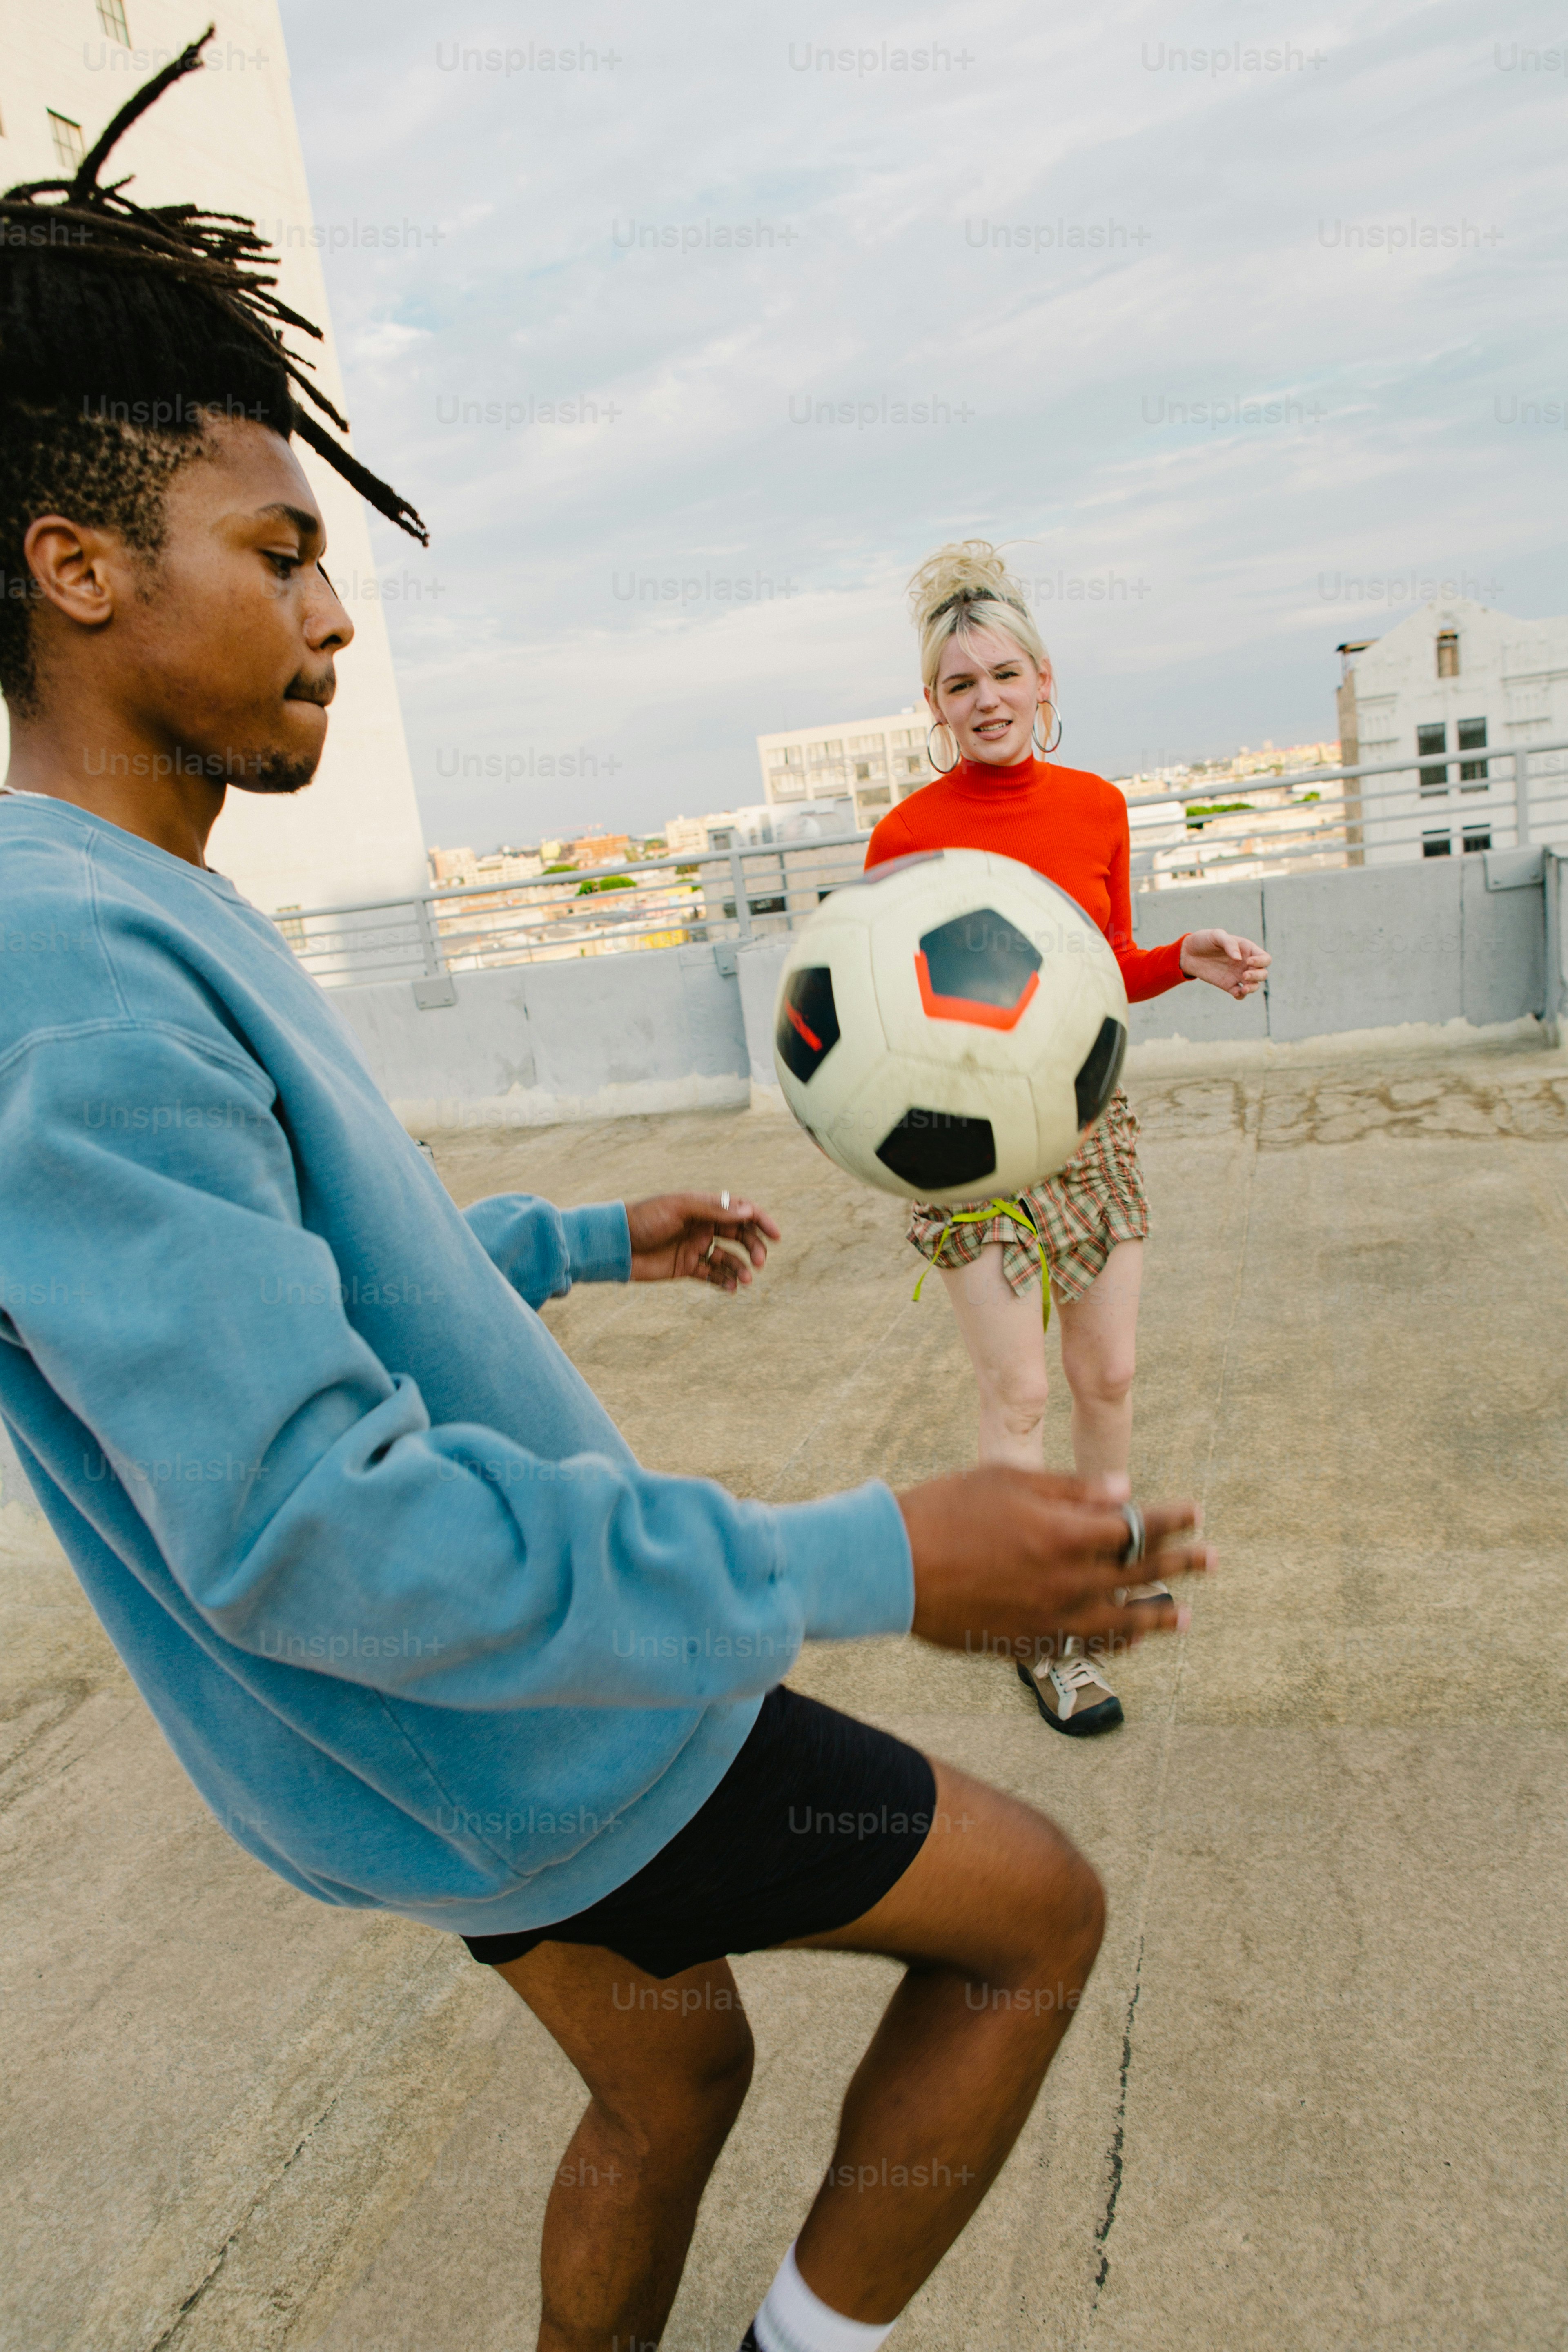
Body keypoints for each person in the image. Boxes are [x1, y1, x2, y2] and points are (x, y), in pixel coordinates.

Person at [0, 50, 1213, 2352]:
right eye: (276, 551)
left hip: (437, 1748)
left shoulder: (114, 905)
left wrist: (567, 1244)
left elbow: (274, 1303)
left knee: (674, 2072)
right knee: (1033, 1917)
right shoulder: (65, 966)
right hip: (537, 1715)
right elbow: (308, 1527)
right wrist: (869, 1556)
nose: (334, 612)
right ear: (76, 569)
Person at [865, 544, 1266, 1740]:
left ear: (1043, 677)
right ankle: (1043, 1630)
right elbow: (885, 1009)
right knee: (1022, 1388)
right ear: (933, 708)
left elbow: (1100, 974)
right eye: (957, 685)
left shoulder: (1098, 805)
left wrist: (1178, 962)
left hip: (1090, 1129)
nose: (985, 699)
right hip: (965, 1148)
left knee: (1109, 1377)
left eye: (1003, 674)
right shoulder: (907, 835)